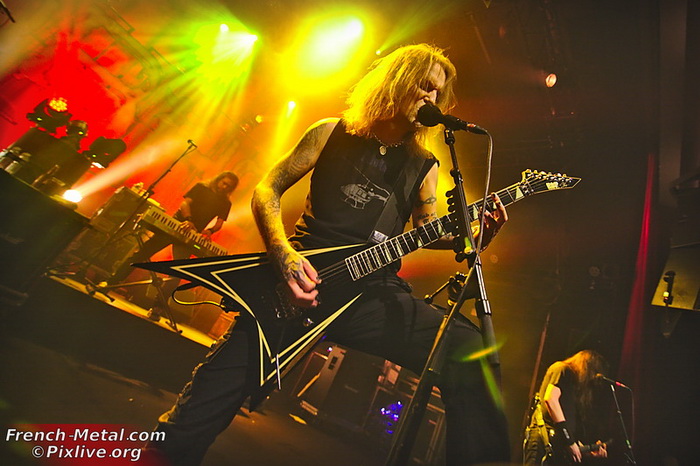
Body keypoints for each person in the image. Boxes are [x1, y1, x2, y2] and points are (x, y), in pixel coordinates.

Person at [144, 44, 510, 465]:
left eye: (438, 93)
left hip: (370, 295)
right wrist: (283, 255)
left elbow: (428, 231)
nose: (431, 97)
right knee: (206, 402)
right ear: (397, 80)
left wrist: (477, 235)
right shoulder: (330, 132)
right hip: (299, 281)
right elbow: (267, 189)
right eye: (424, 85)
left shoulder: (424, 164)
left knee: (468, 349)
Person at [104, 171, 238, 320]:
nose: (225, 187)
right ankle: (111, 282)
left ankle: (157, 308)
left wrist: (210, 231)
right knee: (141, 254)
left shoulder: (225, 203)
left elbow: (219, 223)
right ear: (218, 179)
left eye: (229, 186)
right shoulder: (201, 187)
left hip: (190, 235)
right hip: (175, 225)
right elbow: (185, 203)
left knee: (176, 273)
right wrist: (188, 219)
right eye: (224, 183)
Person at [523, 350, 610, 465]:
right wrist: (569, 441)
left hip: (557, 446)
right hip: (543, 441)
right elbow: (550, 399)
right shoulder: (563, 369)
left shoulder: (573, 388)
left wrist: (584, 450)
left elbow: (567, 425)